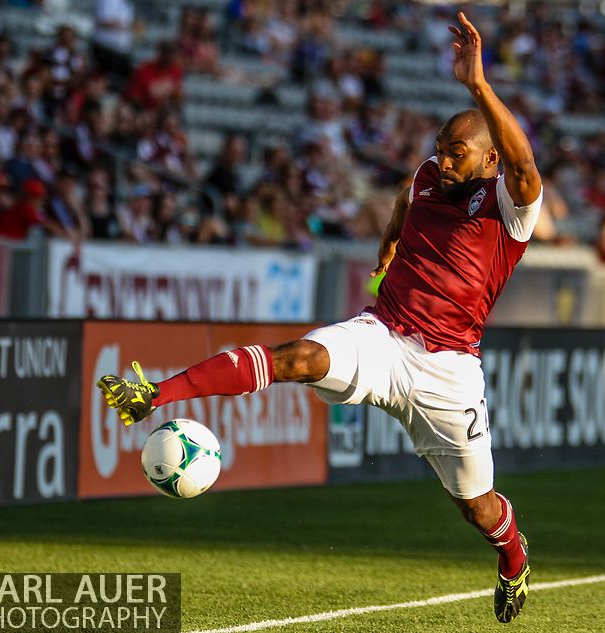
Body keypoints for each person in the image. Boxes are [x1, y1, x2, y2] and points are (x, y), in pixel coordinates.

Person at [97, 11, 540, 624]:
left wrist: (478, 87)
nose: (442, 158)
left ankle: (514, 561)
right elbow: (405, 200)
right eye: (439, 148)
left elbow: (525, 169)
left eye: (456, 151)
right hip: (383, 336)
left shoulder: (509, 210)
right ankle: (154, 394)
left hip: (449, 369)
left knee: (478, 506)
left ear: (490, 159)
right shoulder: (428, 177)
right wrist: (390, 240)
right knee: (298, 359)